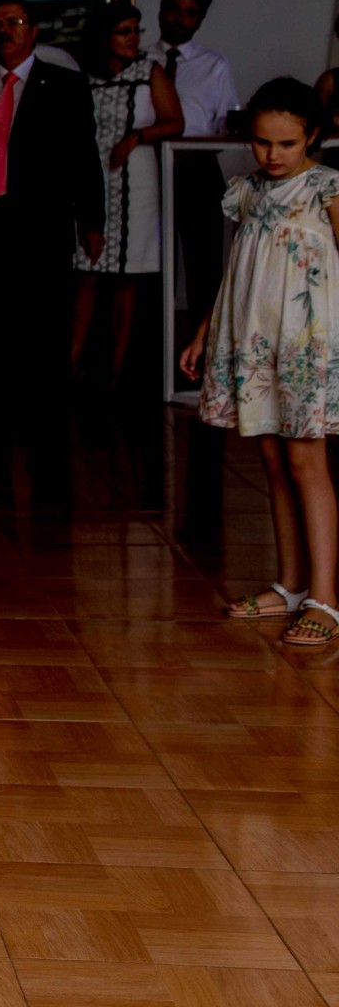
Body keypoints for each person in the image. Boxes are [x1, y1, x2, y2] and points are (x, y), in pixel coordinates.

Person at [180, 78, 339, 647]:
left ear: (313, 136)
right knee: (272, 462)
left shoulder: (327, 188)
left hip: (306, 344)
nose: (272, 155)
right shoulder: (247, 191)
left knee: (307, 465)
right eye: (261, 142)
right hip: (254, 338)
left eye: (287, 144)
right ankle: (292, 584)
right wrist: (205, 329)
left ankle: (326, 597)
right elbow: (239, 267)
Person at [0, 0, 104, 483]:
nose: (3, 32)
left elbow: (83, 157)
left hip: (38, 225)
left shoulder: (65, 86)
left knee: (42, 329)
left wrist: (90, 221)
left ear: (34, 31)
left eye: (13, 23)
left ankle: (44, 432)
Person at [70, 3, 184, 386]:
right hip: (90, 173)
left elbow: (175, 122)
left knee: (126, 276)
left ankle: (115, 371)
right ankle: (71, 365)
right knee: (85, 271)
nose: (134, 37)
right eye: (124, 31)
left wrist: (137, 136)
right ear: (104, 36)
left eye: (136, 29)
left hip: (136, 175)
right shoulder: (82, 76)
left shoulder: (148, 71)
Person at [152, 0, 242, 330]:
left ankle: (202, 348)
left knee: (203, 264)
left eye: (190, 13)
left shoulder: (214, 65)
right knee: (153, 262)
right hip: (151, 169)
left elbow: (226, 125)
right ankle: (153, 346)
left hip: (197, 169)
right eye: (174, 8)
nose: (179, 18)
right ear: (161, 9)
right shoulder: (142, 60)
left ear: (200, 20)